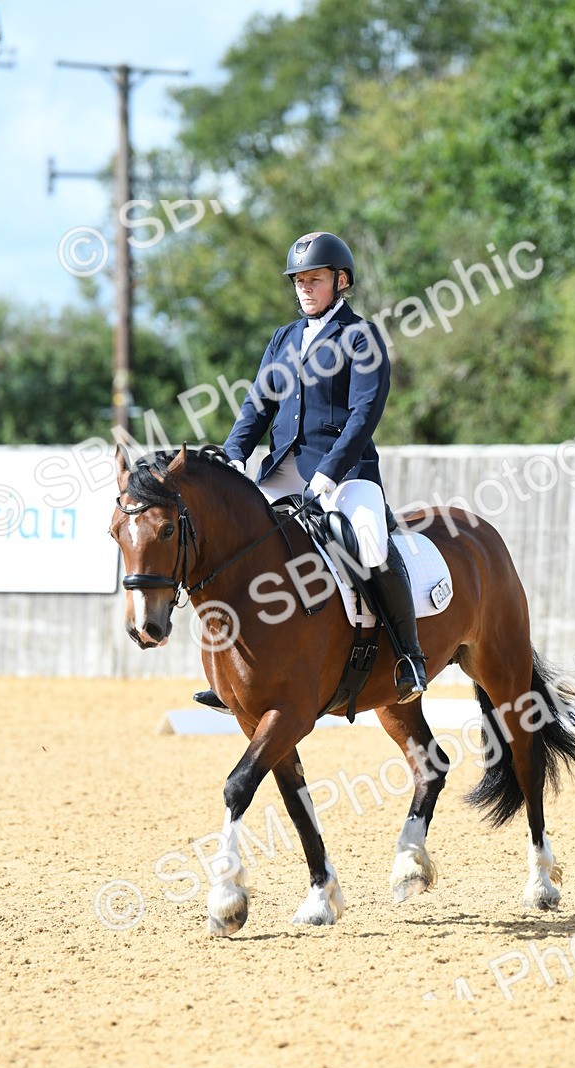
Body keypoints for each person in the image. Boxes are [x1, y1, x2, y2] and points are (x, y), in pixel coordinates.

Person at [196, 230, 427, 709]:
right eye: (299, 280)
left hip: (346, 472)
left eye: (314, 279)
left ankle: (408, 657)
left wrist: (329, 474)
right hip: (281, 469)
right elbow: (258, 403)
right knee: (232, 541)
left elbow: (365, 413)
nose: (304, 288)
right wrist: (234, 452)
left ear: (340, 281)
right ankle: (233, 671)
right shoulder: (284, 337)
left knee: (368, 542)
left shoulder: (360, 337)